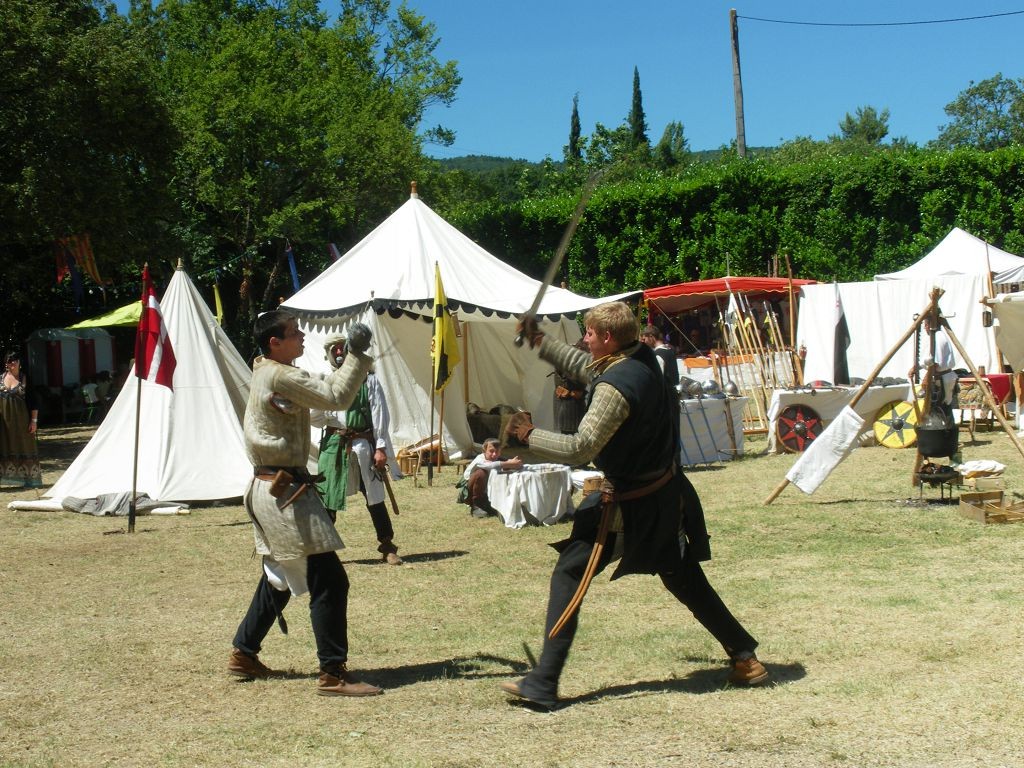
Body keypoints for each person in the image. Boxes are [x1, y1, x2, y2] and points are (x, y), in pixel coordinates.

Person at [499, 302, 768, 710]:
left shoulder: (615, 386)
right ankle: (745, 658)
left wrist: (528, 434)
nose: (585, 339)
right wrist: (541, 341)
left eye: (590, 333)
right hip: (663, 494)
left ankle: (543, 682)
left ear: (607, 338)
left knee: (570, 574)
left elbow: (580, 447)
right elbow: (588, 367)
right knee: (680, 574)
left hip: (628, 504)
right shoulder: (641, 359)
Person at [228, 310, 383, 697]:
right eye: (294, 333)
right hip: (282, 492)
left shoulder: (272, 372)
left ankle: (244, 652)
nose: (301, 338)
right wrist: (356, 354)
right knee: (328, 580)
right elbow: (337, 396)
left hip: (273, 488)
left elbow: (323, 391)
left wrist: (349, 361)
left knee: (280, 574)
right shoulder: (279, 375)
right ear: (274, 343)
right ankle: (332, 673)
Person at [312, 335, 404, 566]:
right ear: (329, 354)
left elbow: (380, 415)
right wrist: (326, 414)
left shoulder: (368, 380)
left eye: (342, 349)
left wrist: (380, 448)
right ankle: (322, 552)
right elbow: (315, 417)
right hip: (334, 445)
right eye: (335, 350)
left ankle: (387, 545)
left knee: (374, 497)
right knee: (328, 496)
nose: (339, 353)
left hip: (363, 445)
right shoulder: (326, 382)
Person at [0, 352, 42, 488]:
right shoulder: (0, 378)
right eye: (9, 361)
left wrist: (34, 421)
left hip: (22, 421)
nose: (12, 363)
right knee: (4, 446)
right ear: (5, 363)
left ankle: (29, 479)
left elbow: (33, 401)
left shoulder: (26, 378)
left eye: (15, 360)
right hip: (3, 422)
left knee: (25, 446)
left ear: (19, 362)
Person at [461, 437, 523, 518]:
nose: (494, 454)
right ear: (484, 451)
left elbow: (507, 465)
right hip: (469, 491)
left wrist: (515, 464)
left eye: (497, 451)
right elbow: (490, 465)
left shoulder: (498, 459)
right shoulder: (479, 459)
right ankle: (476, 505)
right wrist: (509, 464)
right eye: (491, 451)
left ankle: (490, 503)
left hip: (487, 492)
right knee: (481, 473)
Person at [640, 325, 680, 389]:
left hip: (666, 392)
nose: (643, 342)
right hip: (673, 390)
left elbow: (658, 379)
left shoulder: (658, 355)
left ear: (651, 337)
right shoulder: (669, 350)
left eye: (644, 339)